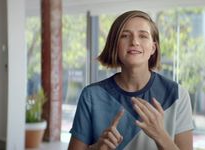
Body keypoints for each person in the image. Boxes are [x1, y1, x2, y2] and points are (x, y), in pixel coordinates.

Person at [67, 10, 194, 150]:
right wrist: (96, 148)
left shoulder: (178, 95)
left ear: (153, 48)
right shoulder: (91, 96)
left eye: (143, 36)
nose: (134, 42)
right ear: (115, 46)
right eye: (125, 36)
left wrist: (160, 135)